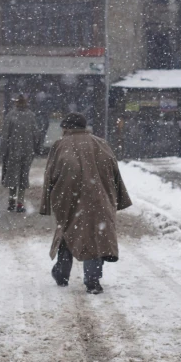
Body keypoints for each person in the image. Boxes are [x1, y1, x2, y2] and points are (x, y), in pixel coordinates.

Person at [40, 112, 132, 294]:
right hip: (99, 199)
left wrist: (47, 202)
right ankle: (93, 281)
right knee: (95, 236)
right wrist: (119, 198)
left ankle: (61, 274)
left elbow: (49, 175)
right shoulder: (101, 144)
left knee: (67, 233)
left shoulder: (60, 146)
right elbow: (115, 173)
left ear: (66, 128)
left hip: (69, 198)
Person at [1, 94, 40, 212]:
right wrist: (35, 148)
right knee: (23, 178)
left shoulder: (10, 115)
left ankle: (12, 202)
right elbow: (36, 134)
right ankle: (20, 203)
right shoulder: (31, 116)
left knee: (13, 177)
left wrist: (4, 152)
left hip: (13, 152)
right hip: (27, 152)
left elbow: (5, 135)